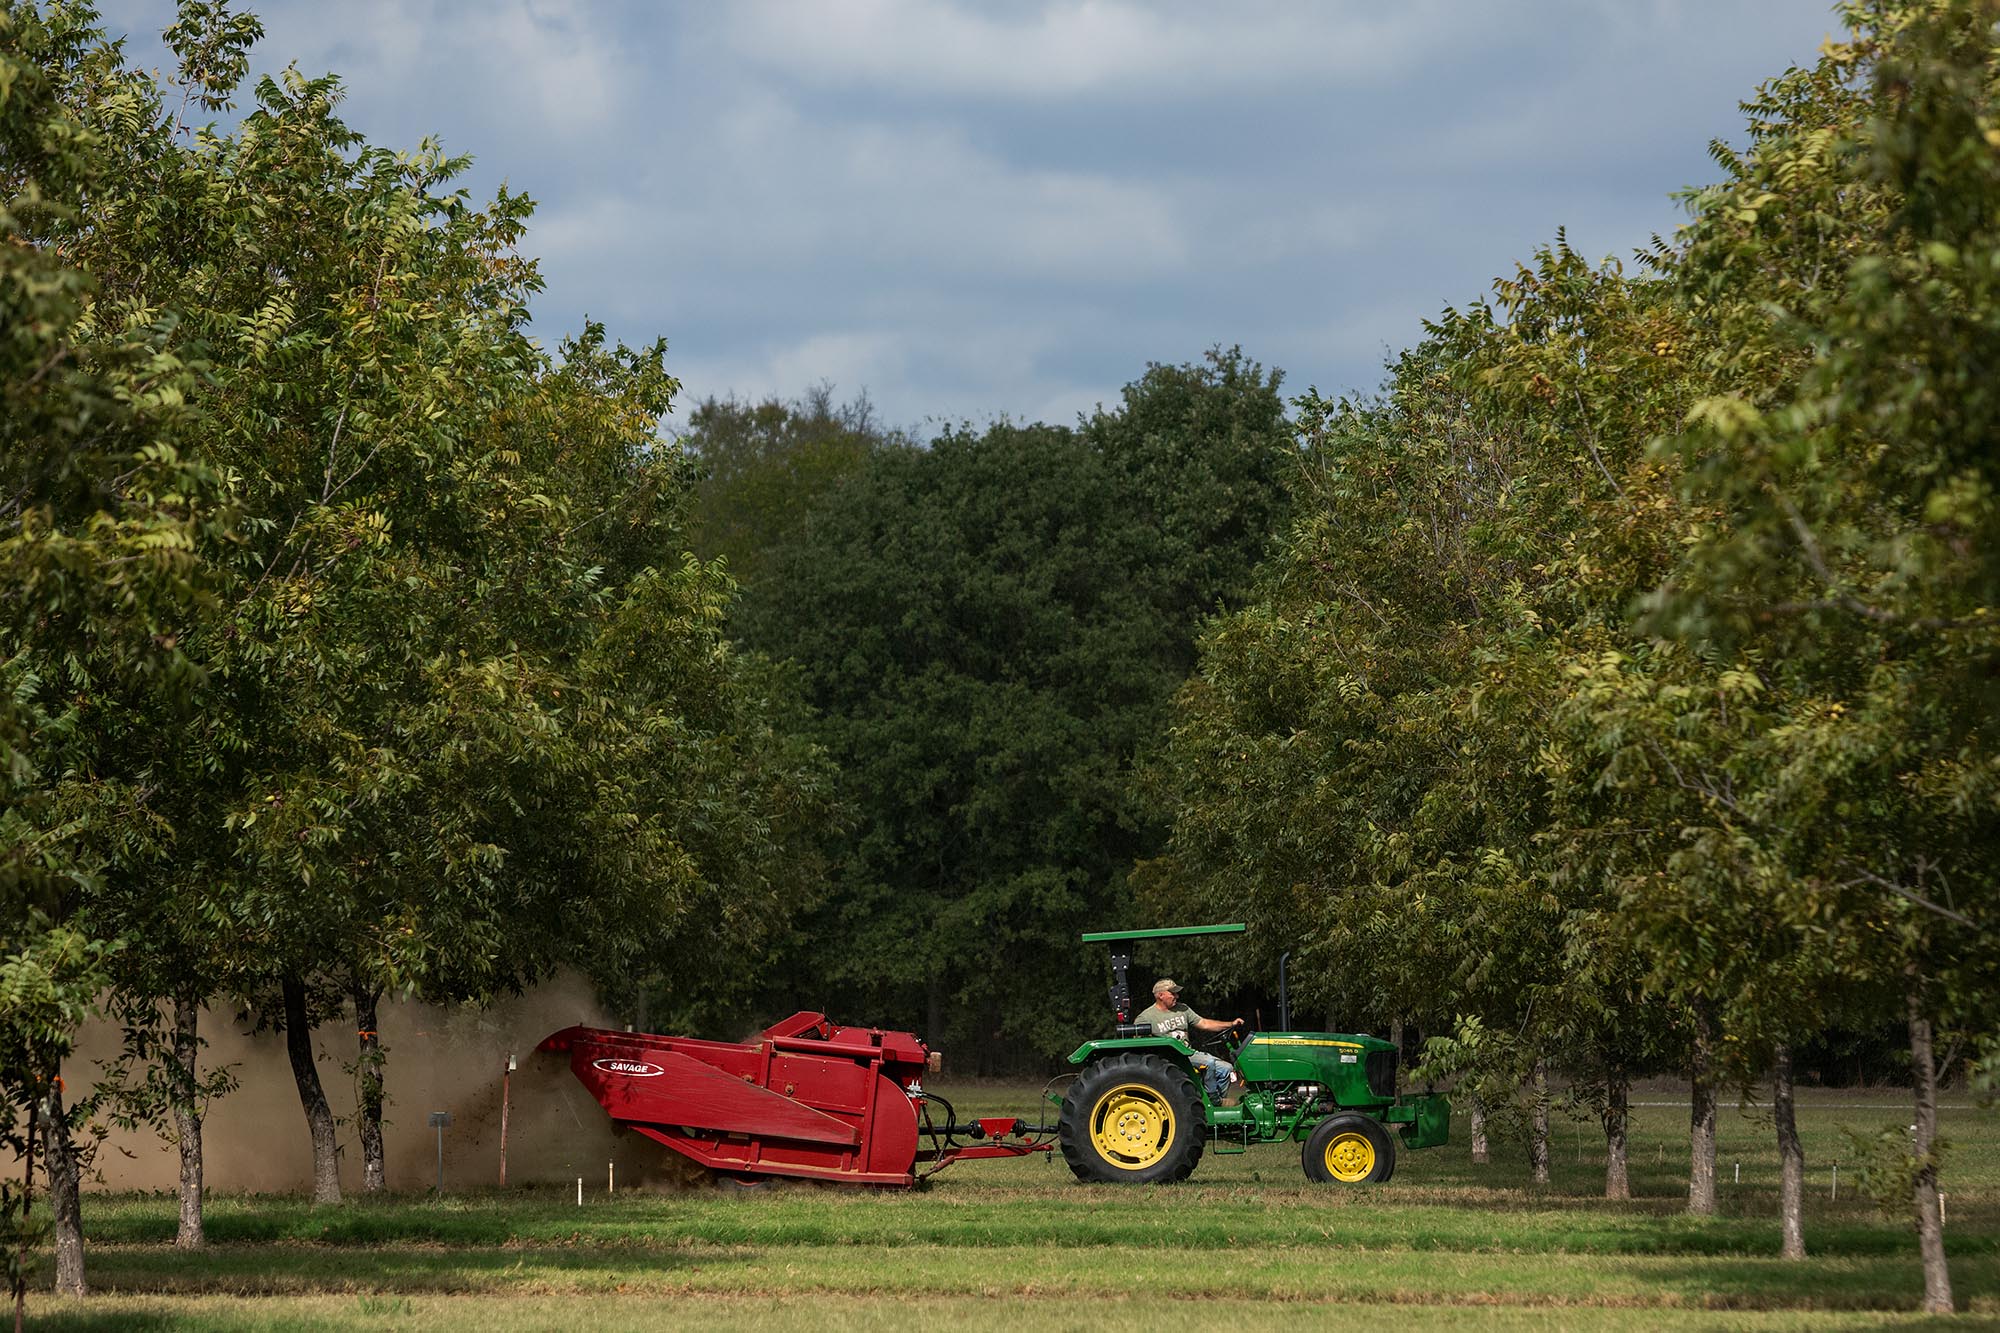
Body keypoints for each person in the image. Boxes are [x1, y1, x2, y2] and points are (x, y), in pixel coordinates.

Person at [1134, 979, 1246, 1103]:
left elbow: (1205, 1023)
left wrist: (1231, 1024)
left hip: (1189, 1053)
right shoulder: (1146, 1018)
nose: (1177, 996)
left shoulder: (1183, 1009)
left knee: (1226, 1068)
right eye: (1173, 993)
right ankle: (1214, 1102)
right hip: (1171, 1058)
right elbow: (1138, 1045)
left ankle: (1216, 1103)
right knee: (1208, 1062)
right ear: (1161, 995)